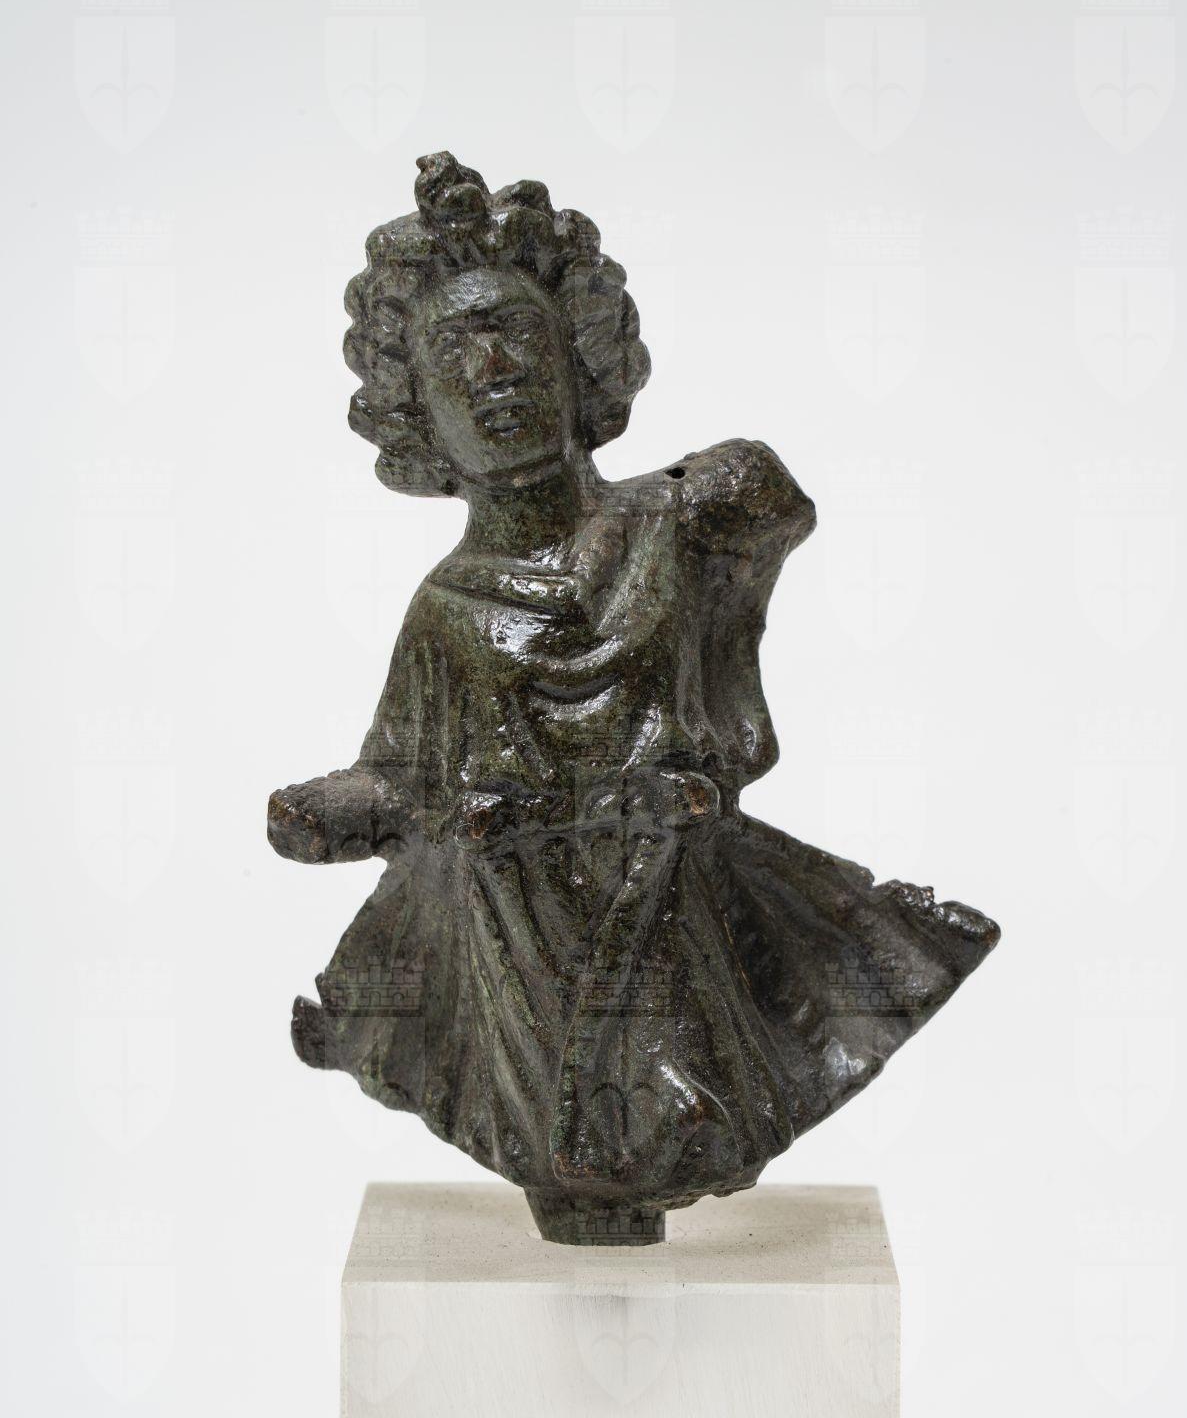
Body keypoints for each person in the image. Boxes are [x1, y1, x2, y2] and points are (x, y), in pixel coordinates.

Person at [268, 152, 998, 1243]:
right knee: (553, 1130)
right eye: (453, 357)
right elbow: (401, 773)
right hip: (516, 956)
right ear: (416, 418)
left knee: (688, 1107)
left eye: (518, 338)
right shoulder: (449, 614)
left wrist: (720, 491)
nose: (494, 373)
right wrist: (326, 810)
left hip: (673, 921)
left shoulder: (675, 530)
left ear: (580, 360)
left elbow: (768, 506)